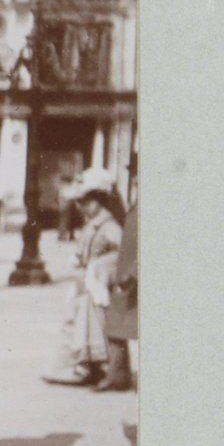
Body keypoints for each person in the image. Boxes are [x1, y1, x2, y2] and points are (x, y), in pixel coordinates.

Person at [42, 167, 123, 387]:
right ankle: (75, 367)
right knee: (74, 321)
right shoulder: (92, 225)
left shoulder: (109, 226)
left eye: (85, 202)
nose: (80, 207)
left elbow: (123, 254)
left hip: (99, 289)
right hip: (86, 285)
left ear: (99, 200)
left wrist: (102, 268)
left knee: (92, 326)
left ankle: (93, 367)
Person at [101, 193, 137, 391]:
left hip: (134, 277)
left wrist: (132, 273)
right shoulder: (136, 202)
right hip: (127, 274)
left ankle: (118, 376)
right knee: (116, 323)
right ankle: (117, 375)